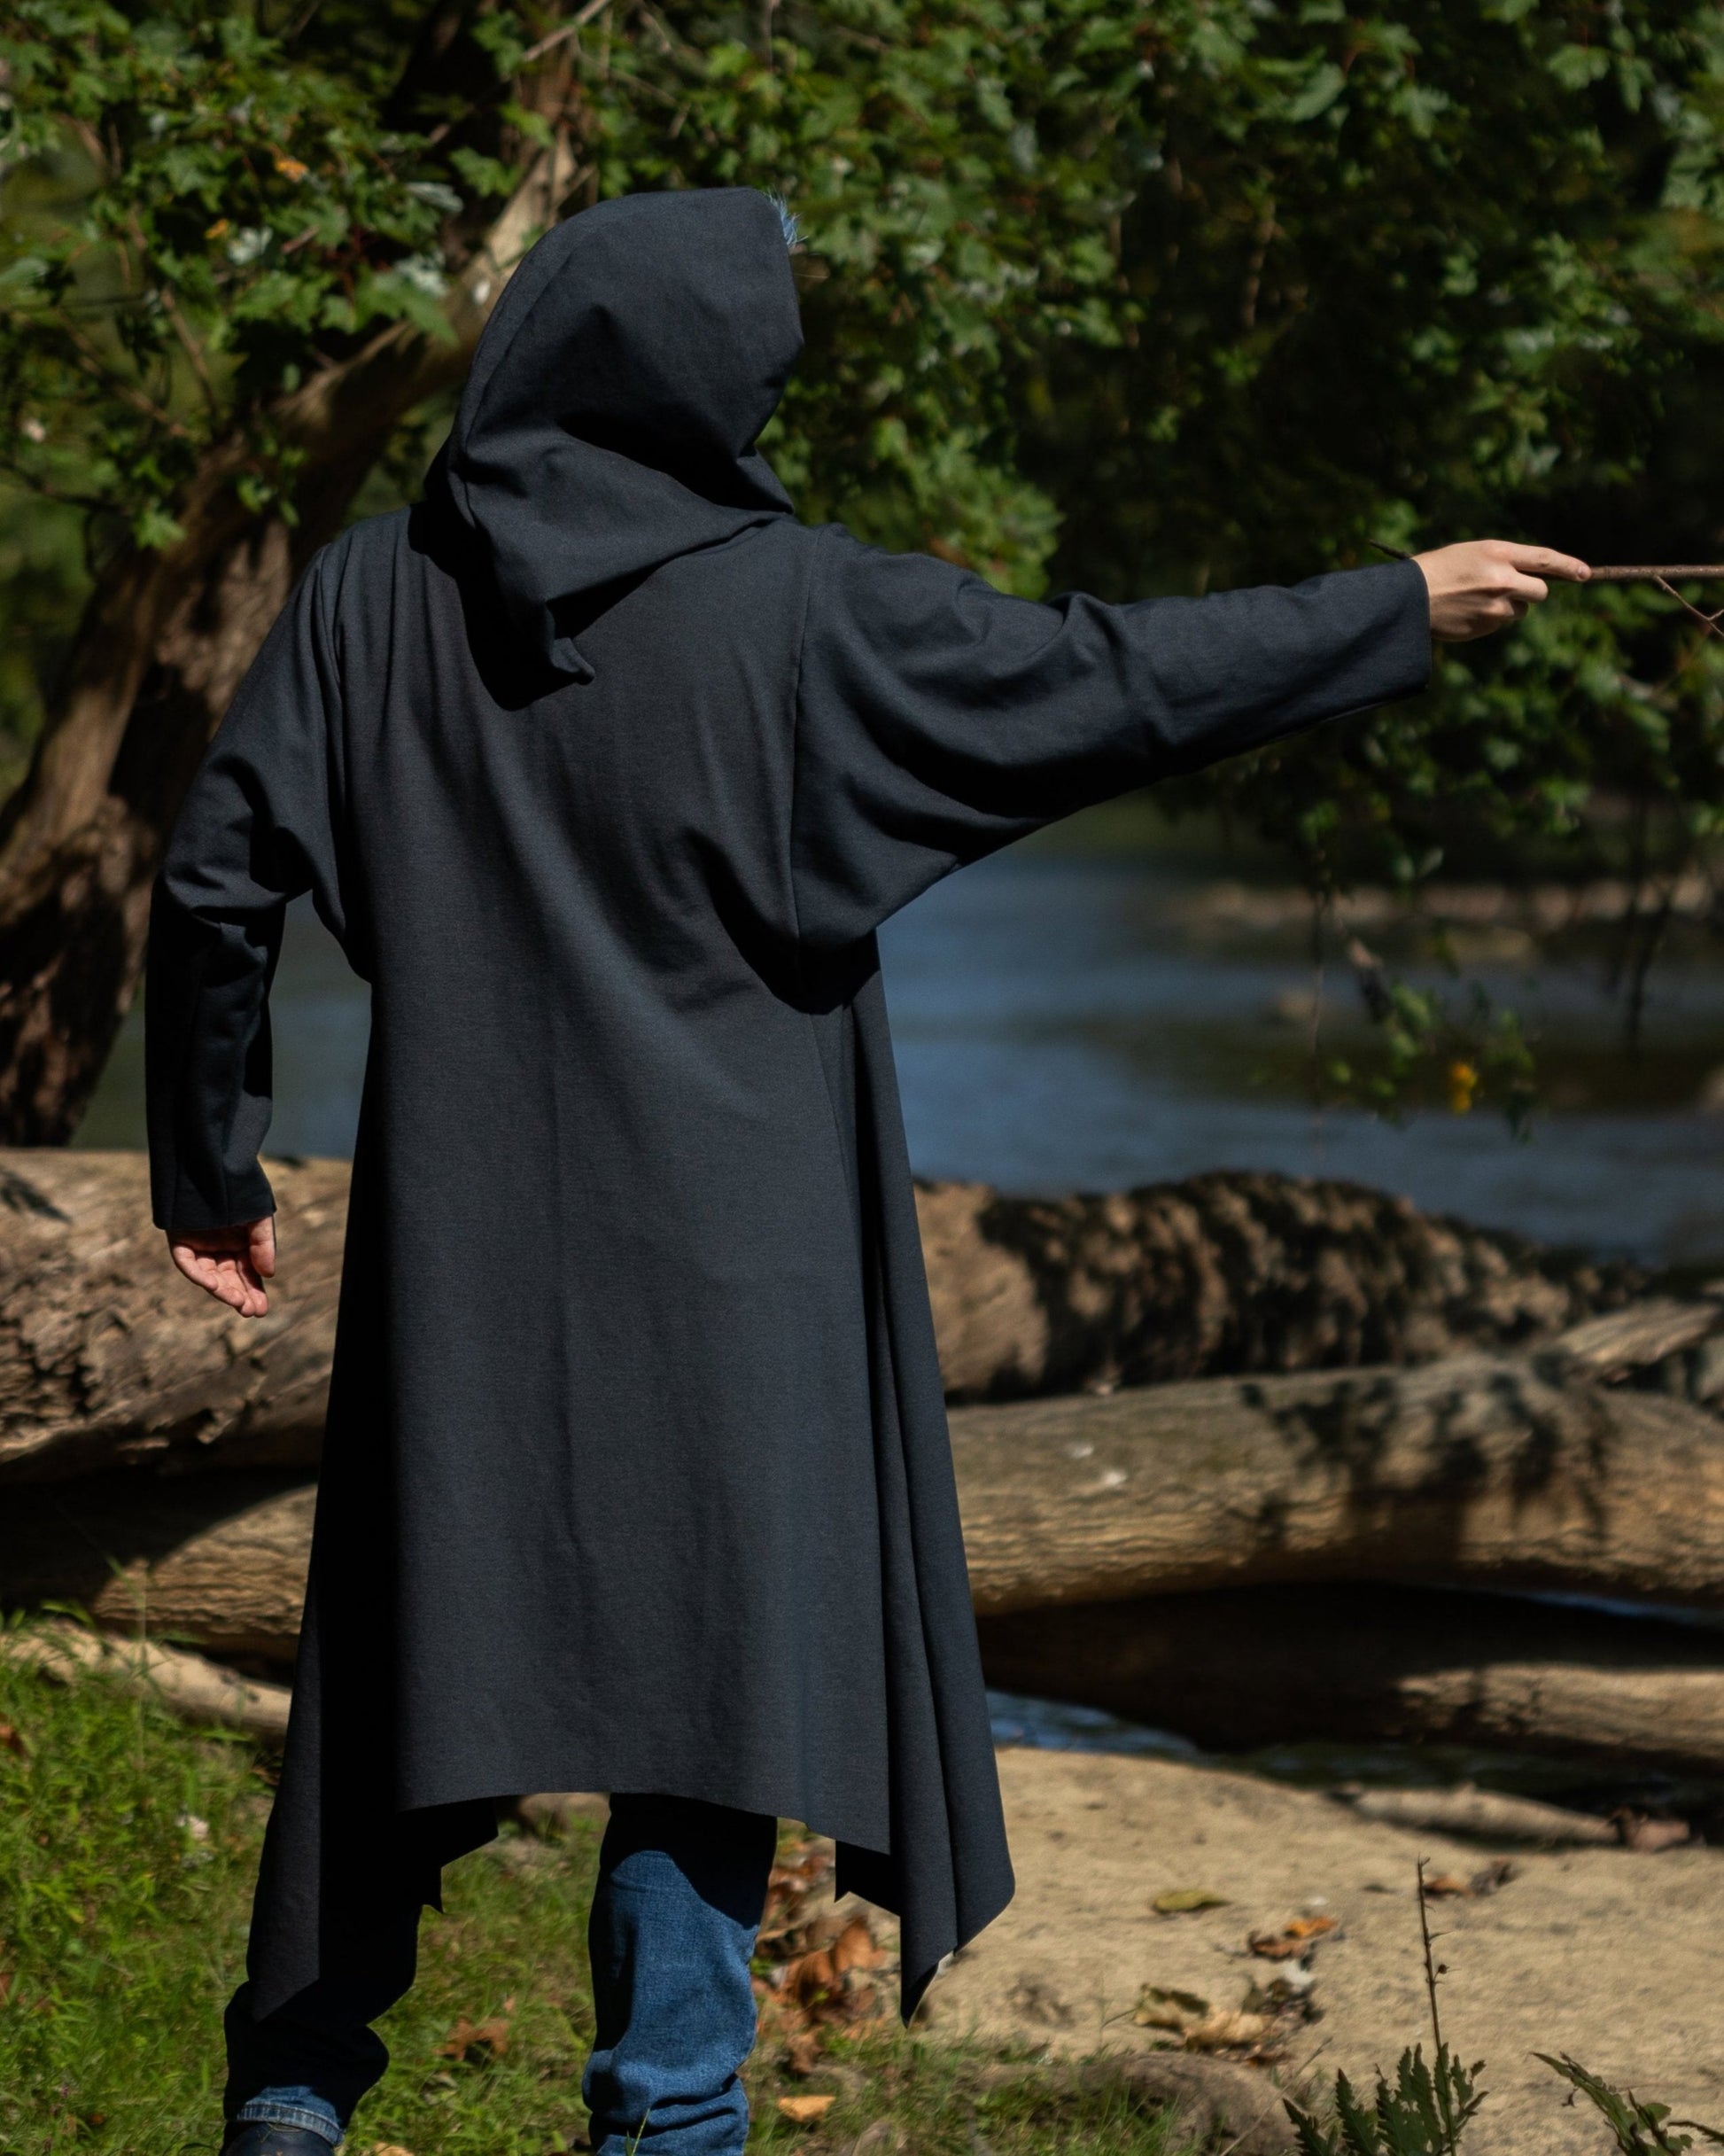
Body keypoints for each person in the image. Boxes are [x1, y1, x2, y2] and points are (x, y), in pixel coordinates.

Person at [144, 184, 1588, 2156]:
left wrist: (207, 1159)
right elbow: (1112, 675)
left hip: (455, 1253)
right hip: (736, 1264)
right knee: (711, 1689)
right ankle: (663, 2121)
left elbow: (217, 877)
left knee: (413, 1658)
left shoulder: (367, 594)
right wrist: (1386, 603)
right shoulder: (804, 608)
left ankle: (290, 2105)